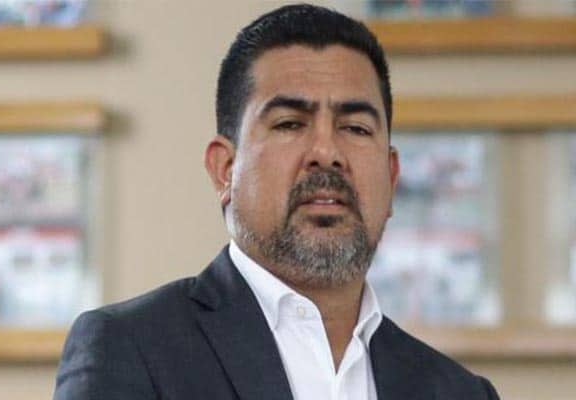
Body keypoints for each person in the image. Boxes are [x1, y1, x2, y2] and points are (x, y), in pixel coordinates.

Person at [54, 4, 500, 400]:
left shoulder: (459, 392)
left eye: (356, 128)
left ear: (392, 176)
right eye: (290, 123)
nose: (326, 152)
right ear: (225, 169)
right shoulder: (131, 349)